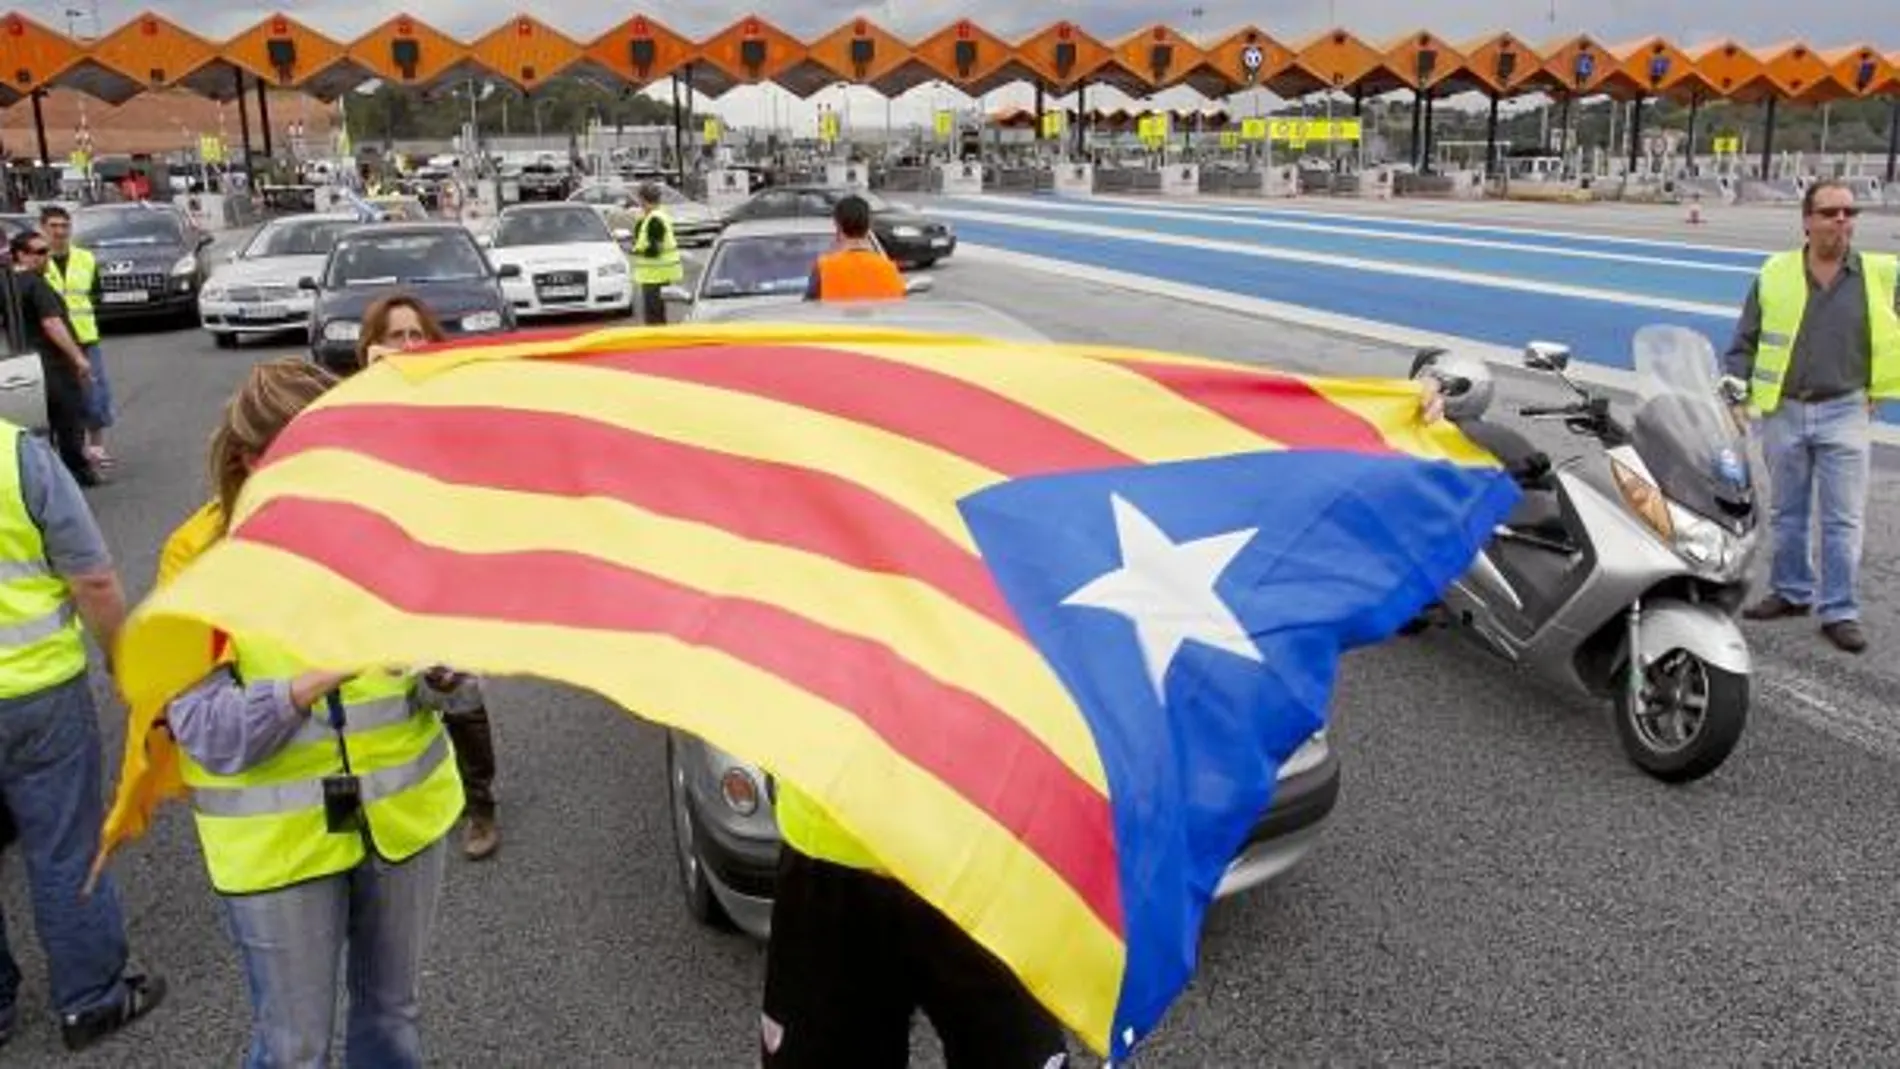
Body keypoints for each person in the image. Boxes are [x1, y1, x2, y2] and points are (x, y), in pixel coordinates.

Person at [163, 358, 464, 1066]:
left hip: (404, 818)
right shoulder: (199, 559)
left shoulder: (388, 529)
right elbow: (205, 730)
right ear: (248, 458)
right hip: (276, 845)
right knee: (294, 1047)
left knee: (392, 1020)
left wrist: (447, 673)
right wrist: (307, 683)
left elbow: (442, 679)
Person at [0, 411, 166, 1051]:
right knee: (62, 845)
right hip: (35, 695)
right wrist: (123, 661)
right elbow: (93, 578)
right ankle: (91, 998)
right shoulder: (19, 457)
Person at [354, 294, 503, 859]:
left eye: (418, 336)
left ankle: (481, 804)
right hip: (384, 568)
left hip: (444, 565)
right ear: (375, 345)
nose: (409, 346)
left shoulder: (449, 403)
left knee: (456, 684)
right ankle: (408, 794)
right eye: (396, 337)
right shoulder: (350, 405)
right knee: (394, 681)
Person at [1725, 178, 1899, 654]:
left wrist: (1883, 383)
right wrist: (1735, 391)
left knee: (1843, 520)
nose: (1842, 220)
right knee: (1788, 512)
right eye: (1830, 212)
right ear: (1807, 221)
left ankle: (1839, 610)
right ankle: (1791, 592)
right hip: (1785, 410)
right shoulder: (1775, 273)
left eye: (1849, 212)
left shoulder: (1881, 274)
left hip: (1846, 409)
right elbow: (1745, 341)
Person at [8, 232, 97, 486]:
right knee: (68, 420)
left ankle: (38, 478)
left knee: (31, 428)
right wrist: (79, 358)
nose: (46, 257)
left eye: (46, 251)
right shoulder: (36, 284)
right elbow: (52, 323)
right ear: (21, 255)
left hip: (19, 365)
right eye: (39, 252)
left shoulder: (8, 284)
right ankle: (77, 473)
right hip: (51, 365)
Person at [38, 206, 114, 472]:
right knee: (64, 400)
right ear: (43, 229)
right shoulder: (37, 261)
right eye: (54, 226)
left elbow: (94, 293)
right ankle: (73, 451)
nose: (60, 232)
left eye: (64, 226)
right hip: (53, 342)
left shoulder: (85, 258)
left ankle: (96, 447)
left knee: (95, 396)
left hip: (85, 336)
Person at [803, 195, 906, 303]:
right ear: (868, 226)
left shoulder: (825, 267)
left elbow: (808, 309)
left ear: (838, 226)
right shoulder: (888, 268)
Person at [631, 183, 682, 326]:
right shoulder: (655, 216)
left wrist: (636, 251)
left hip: (654, 275)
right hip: (658, 274)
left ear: (643, 199)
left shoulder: (655, 220)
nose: (639, 203)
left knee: (654, 315)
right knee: (658, 312)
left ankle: (657, 343)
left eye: (639, 199)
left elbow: (656, 249)